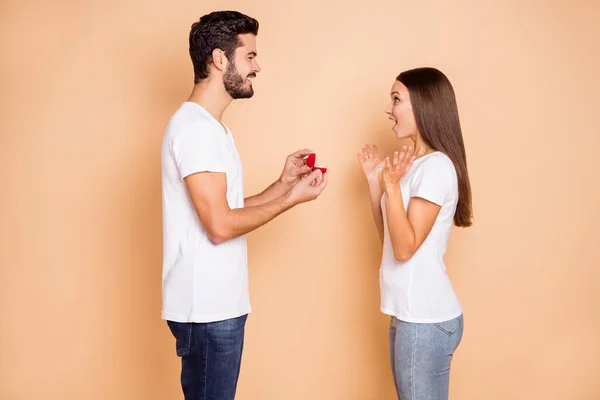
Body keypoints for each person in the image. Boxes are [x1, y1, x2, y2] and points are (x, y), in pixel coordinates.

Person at [160, 11, 327, 399]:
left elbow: (226, 210)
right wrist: (290, 201)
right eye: (249, 56)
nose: (257, 67)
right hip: (207, 311)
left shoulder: (212, 128)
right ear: (220, 60)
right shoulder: (196, 131)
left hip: (218, 307)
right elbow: (220, 226)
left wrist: (284, 185)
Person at [357, 67, 473, 399]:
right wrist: (374, 183)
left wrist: (392, 187)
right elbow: (392, 245)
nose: (388, 110)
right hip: (410, 315)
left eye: (396, 99)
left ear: (423, 105)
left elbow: (405, 249)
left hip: (426, 319)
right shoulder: (415, 168)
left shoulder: (436, 168)